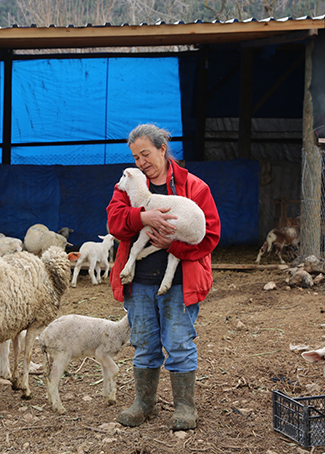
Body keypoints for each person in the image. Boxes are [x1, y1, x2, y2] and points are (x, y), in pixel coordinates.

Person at [108, 124, 221, 430]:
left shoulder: (193, 186)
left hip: (179, 282)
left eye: (146, 153)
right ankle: (144, 403)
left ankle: (184, 406)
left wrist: (175, 246)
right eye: (135, 156)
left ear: (162, 149)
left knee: (179, 342)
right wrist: (143, 217)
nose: (141, 161)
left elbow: (209, 235)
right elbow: (115, 223)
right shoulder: (128, 186)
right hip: (140, 281)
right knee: (144, 342)